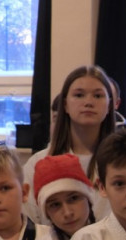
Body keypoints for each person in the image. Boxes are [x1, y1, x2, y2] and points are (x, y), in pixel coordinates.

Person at [23, 65, 116, 223]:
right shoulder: (38, 163)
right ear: (65, 104)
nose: (88, 102)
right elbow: (30, 221)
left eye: (98, 95)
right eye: (79, 95)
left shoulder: (123, 161)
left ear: (109, 105)